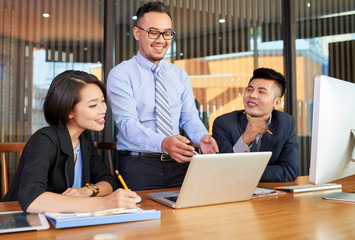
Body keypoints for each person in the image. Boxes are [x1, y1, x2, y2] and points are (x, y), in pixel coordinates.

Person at [106, 2, 218, 191]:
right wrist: (164, 143)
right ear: (137, 33)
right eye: (153, 32)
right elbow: (127, 124)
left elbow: (189, 117)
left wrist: (202, 137)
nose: (161, 40)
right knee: (142, 220)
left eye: (167, 33)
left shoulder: (179, 75)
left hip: (180, 164)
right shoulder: (121, 74)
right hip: (139, 165)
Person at [1, 70, 137, 213]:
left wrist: (87, 191)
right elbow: (32, 199)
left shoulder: (83, 139)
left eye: (103, 101)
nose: (103, 109)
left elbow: (108, 181)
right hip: (19, 221)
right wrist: (104, 203)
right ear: (69, 111)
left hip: (62, 222)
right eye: (93, 105)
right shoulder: (44, 140)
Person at [212, 68, 299, 182]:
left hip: (271, 195)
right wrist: (245, 139)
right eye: (249, 89)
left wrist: (244, 172)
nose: (252, 95)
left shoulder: (286, 123)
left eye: (261, 92)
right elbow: (223, 170)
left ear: (276, 103)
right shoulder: (224, 123)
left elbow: (290, 171)